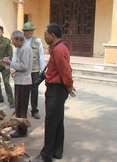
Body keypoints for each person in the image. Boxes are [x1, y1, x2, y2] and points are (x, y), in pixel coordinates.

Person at [31, 23, 76, 162]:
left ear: (53, 35)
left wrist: (69, 86)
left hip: (56, 90)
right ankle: (57, 151)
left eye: (45, 34)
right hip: (58, 89)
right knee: (57, 121)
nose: (44, 37)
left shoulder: (58, 50)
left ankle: (46, 155)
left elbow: (65, 70)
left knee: (51, 122)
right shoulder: (60, 47)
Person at [2, 30, 33, 138]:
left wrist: (10, 63)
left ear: (19, 39)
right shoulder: (19, 49)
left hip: (24, 82)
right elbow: (20, 65)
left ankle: (22, 130)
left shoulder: (25, 48)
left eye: (13, 40)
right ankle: (18, 124)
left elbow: (24, 66)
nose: (13, 43)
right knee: (18, 106)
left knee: (22, 107)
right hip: (19, 81)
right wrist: (12, 66)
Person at [21, 22, 46, 119]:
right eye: (28, 31)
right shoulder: (21, 41)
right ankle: (23, 109)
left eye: (32, 30)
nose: (30, 32)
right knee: (24, 90)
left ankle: (34, 110)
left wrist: (42, 69)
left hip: (34, 69)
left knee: (34, 90)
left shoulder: (37, 41)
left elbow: (41, 56)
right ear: (24, 32)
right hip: (24, 70)